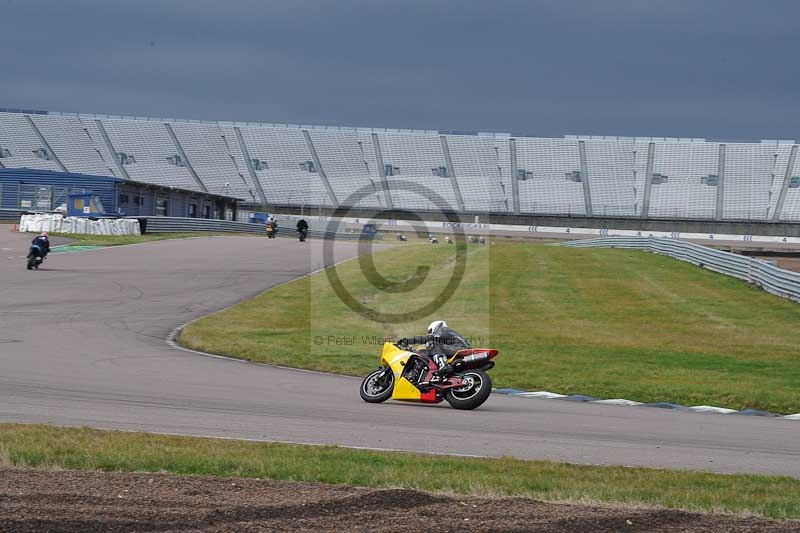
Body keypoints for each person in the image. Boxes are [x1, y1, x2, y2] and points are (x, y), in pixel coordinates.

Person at [400, 320, 471, 381]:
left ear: (436, 327)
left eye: (430, 331)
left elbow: (429, 338)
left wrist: (408, 341)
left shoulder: (444, 330)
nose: (430, 333)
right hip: (459, 350)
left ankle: (444, 366)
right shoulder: (447, 336)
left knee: (433, 344)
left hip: (461, 349)